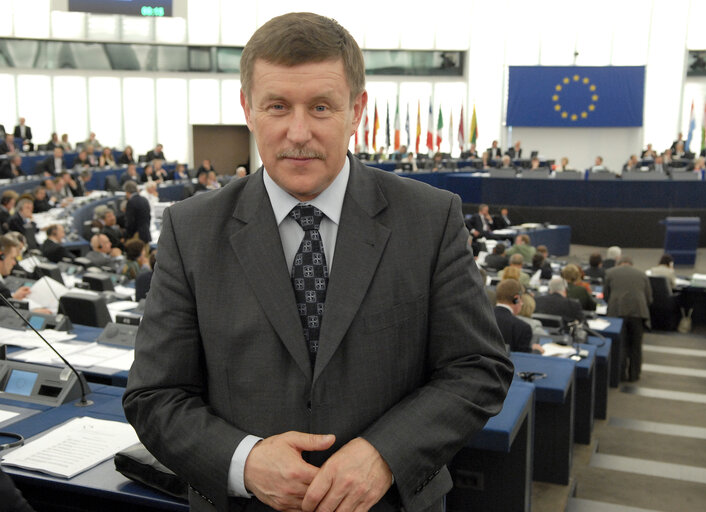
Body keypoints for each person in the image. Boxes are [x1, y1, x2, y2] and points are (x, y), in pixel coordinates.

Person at [123, 12, 512, 512]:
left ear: (357, 109)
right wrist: (244, 461)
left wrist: (384, 455)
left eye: (322, 107)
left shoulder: (430, 219)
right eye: (278, 106)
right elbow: (155, 395)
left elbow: (477, 367)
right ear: (248, 108)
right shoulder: (190, 229)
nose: (298, 132)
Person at [604, 257, 653, 382]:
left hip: (617, 312)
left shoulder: (610, 273)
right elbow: (649, 298)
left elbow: (606, 295)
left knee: (621, 344)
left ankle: (619, 374)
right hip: (638, 313)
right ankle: (634, 375)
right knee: (636, 346)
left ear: (619, 264)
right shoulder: (642, 274)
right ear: (632, 264)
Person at [493, 279, 544, 353]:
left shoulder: (481, 317)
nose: (522, 303)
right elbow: (522, 359)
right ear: (516, 298)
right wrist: (535, 351)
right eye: (521, 299)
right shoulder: (522, 328)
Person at [0, 234, 32, 301]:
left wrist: (13, 298)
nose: (14, 263)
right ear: (1, 257)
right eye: (12, 258)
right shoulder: (2, 291)